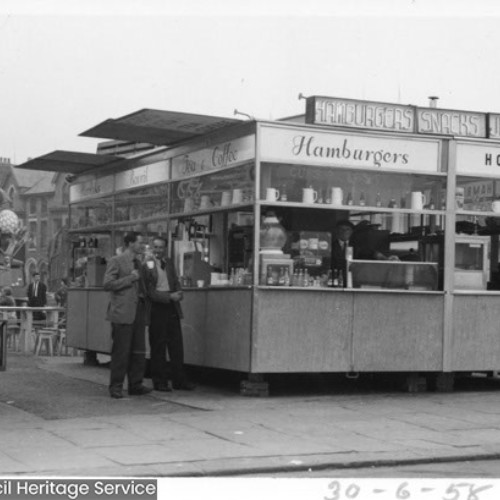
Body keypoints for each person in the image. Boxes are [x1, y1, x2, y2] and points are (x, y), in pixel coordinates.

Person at [103, 232, 152, 399]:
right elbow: (108, 284)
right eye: (140, 242)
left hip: (138, 310)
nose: (143, 245)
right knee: (121, 351)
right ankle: (116, 386)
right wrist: (130, 278)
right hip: (122, 312)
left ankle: (135, 384)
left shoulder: (140, 263)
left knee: (138, 350)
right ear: (130, 243)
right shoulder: (116, 261)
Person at [143, 236, 195, 391]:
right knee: (158, 345)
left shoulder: (169, 262)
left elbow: (174, 280)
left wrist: (178, 291)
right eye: (156, 247)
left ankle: (179, 380)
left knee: (176, 344)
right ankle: (159, 381)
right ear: (152, 248)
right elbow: (149, 291)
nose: (159, 250)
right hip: (157, 306)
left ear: (165, 248)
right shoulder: (147, 264)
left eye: (161, 247)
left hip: (172, 306)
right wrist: (168, 296)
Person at [331, 220, 399, 282]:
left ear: (351, 231)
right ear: (337, 231)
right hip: (334, 279)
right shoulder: (331, 246)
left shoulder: (357, 246)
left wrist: (386, 259)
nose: (344, 232)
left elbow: (372, 253)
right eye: (341, 229)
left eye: (347, 229)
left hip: (354, 279)